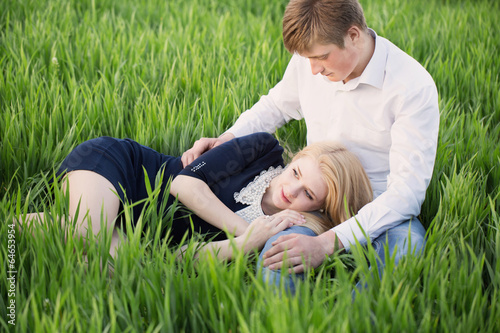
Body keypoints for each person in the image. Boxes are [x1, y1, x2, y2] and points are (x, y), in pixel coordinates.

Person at [181, 0, 439, 290]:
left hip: (379, 206)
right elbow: (276, 106)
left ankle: (361, 318)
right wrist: (227, 139)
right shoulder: (310, 61)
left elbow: (407, 193)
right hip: (312, 201)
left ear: (354, 35)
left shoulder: (412, 87)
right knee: (277, 262)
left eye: (322, 57)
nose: (313, 70)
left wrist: (327, 243)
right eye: (308, 59)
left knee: (407, 252)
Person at [19, 132, 372, 262]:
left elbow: (184, 258)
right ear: (294, 160)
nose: (290, 190)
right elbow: (183, 184)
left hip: (140, 236)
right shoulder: (263, 149)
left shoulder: (287, 229)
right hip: (123, 171)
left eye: (307, 194)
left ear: (321, 207)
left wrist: (249, 244)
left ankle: (15, 229)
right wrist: (246, 231)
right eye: (295, 172)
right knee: (89, 235)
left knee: (129, 268)